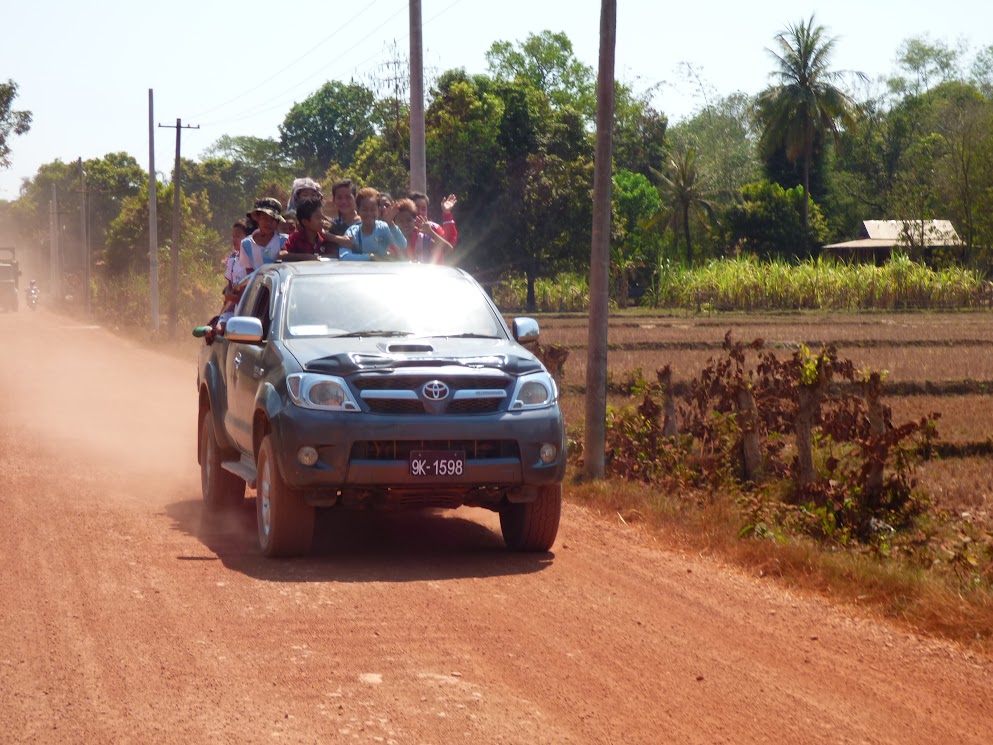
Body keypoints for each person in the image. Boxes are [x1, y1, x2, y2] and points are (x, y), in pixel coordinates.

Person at [345, 187, 406, 258]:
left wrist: (390, 223)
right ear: (358, 210)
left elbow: (402, 245)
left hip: (381, 268)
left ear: (379, 210)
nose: (369, 213)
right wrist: (371, 257)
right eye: (364, 210)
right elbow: (344, 256)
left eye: (373, 210)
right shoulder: (352, 232)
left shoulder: (383, 228)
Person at [394, 198, 452, 264]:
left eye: (408, 220)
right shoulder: (390, 239)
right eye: (401, 221)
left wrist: (430, 232)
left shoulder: (423, 240)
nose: (405, 224)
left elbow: (448, 249)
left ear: (414, 221)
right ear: (394, 222)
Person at [240, 197, 288, 272]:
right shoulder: (246, 244)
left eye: (273, 219)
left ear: (278, 221)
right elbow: (249, 270)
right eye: (265, 218)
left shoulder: (285, 241)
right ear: (257, 218)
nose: (269, 223)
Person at [326, 178, 361, 253]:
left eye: (348, 197)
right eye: (339, 198)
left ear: (355, 199)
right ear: (334, 201)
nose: (344, 201)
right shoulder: (333, 225)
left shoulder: (364, 223)